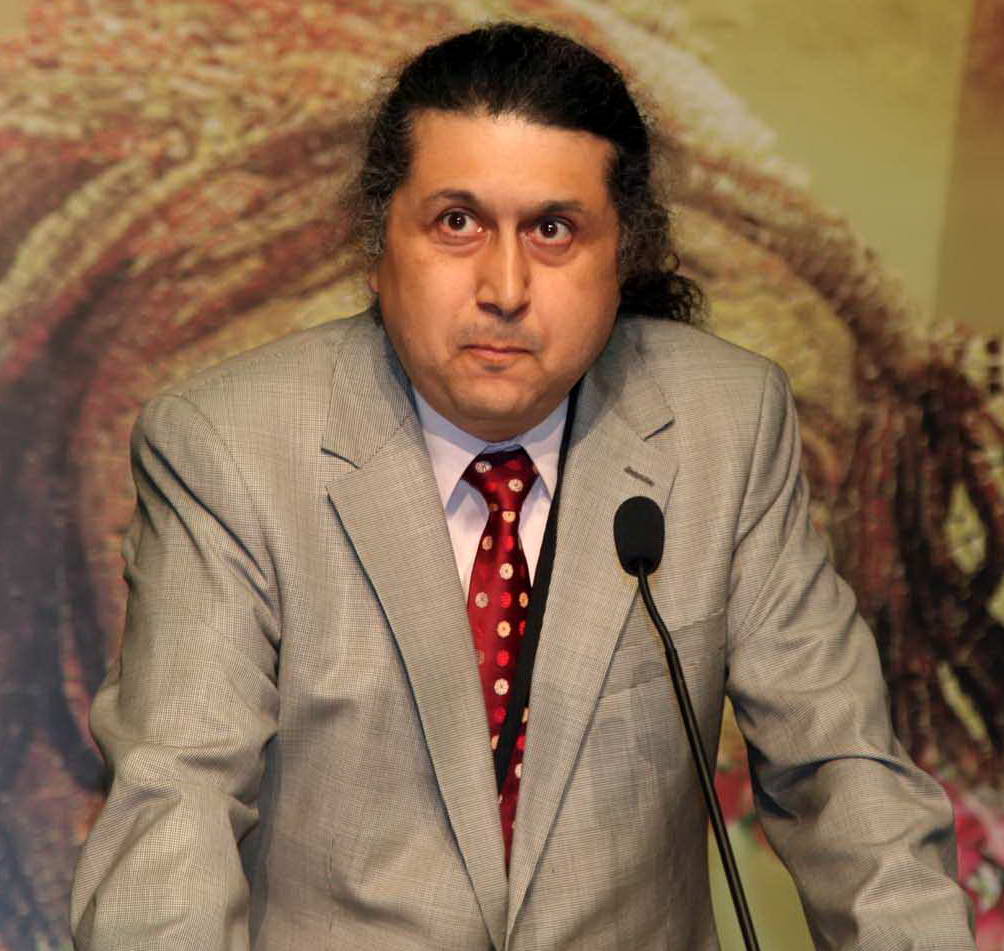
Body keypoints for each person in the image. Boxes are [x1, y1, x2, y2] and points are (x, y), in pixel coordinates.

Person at [70, 22, 975, 950]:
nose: (504, 287)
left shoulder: (725, 424)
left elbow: (842, 772)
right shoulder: (230, 445)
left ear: (624, 256)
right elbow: (174, 806)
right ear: (377, 244)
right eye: (457, 223)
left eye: (553, 230)